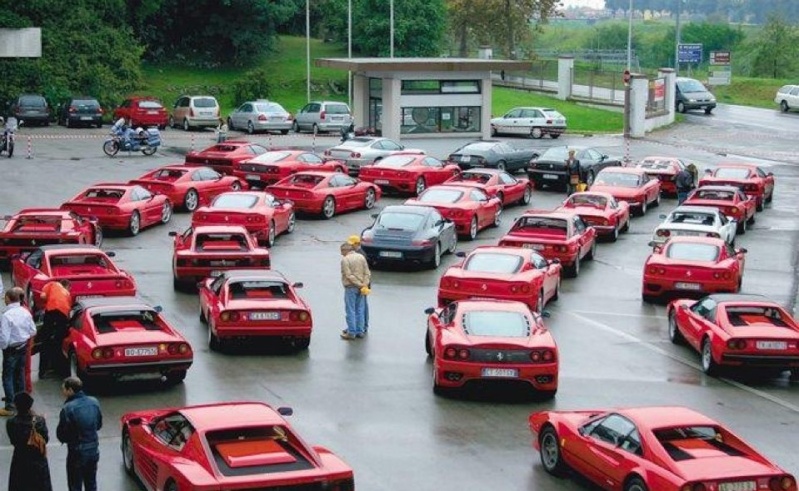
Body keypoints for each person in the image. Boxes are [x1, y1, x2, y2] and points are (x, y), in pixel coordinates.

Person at [57, 377, 102, 491]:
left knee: (75, 484)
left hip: (77, 451)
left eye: (64, 389)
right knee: (91, 482)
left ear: (70, 390)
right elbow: (99, 425)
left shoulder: (67, 408)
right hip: (93, 449)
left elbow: (62, 434)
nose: (62, 392)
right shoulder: (94, 402)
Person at [0, 288, 37, 417]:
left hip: (11, 350)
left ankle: (10, 405)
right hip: (22, 347)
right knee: (19, 374)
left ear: (9, 299)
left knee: (7, 376)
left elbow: (4, 338)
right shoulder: (25, 312)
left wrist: (3, 347)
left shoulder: (6, 316)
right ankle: (21, 402)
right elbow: (33, 330)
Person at [6, 392, 53, 491]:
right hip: (38, 461)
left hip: (20, 460)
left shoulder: (11, 423)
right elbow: (45, 439)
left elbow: (13, 440)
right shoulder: (39, 421)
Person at [39, 279, 72, 378]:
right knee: (58, 343)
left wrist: (46, 302)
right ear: (67, 287)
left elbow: (42, 296)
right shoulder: (67, 294)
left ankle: (42, 371)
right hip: (62, 316)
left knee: (45, 342)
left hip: (51, 313)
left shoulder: (51, 284)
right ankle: (61, 371)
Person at [340, 243, 371, 340]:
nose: (341, 254)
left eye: (342, 252)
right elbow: (367, 272)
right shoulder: (361, 257)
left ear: (345, 250)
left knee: (350, 309)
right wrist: (364, 284)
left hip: (351, 287)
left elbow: (348, 275)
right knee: (360, 309)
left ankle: (351, 332)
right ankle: (360, 331)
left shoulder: (345, 260)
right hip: (362, 288)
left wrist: (358, 284)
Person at [347, 235, 369, 333]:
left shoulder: (360, 255)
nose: (350, 246)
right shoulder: (359, 254)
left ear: (357, 244)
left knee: (360, 308)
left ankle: (361, 327)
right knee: (361, 307)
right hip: (362, 284)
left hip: (360, 285)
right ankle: (359, 327)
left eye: (352, 244)